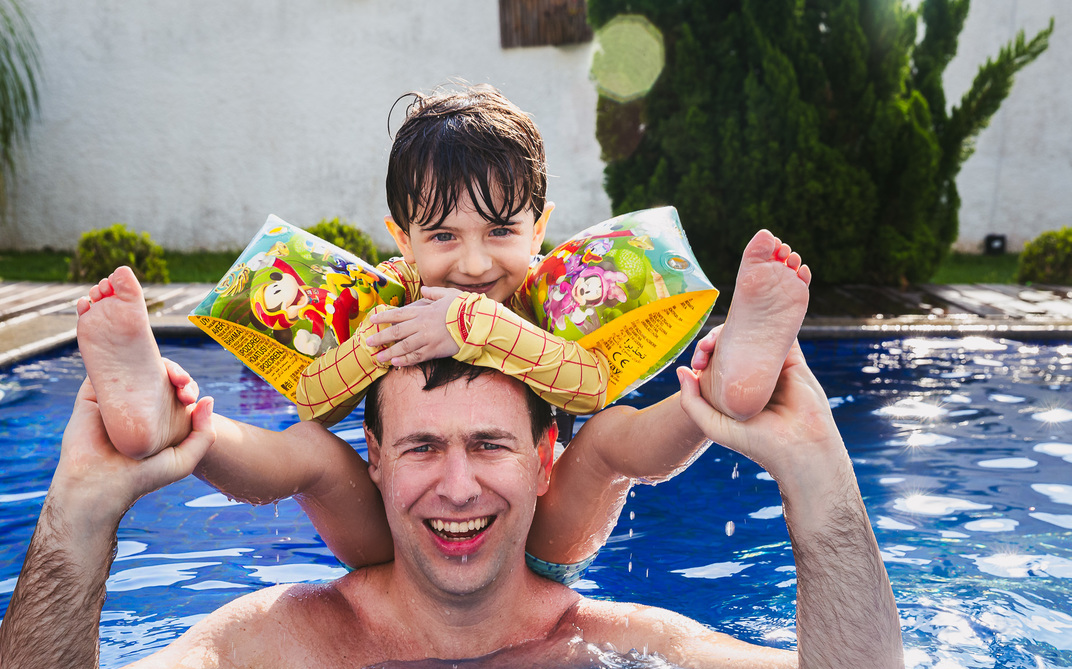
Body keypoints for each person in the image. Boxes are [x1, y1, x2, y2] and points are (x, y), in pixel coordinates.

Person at [0, 348, 907, 669]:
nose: (456, 487)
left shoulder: (619, 640)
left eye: (489, 445)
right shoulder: (273, 639)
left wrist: (822, 480)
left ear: (547, 462)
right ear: (373, 464)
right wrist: (77, 517)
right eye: (422, 447)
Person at [75, 84, 811, 579]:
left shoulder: (540, 299)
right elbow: (315, 403)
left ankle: (722, 389)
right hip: (392, 540)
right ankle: (172, 425)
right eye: (442, 235)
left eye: (500, 230)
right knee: (310, 457)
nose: (473, 262)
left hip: (539, 536)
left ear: (541, 229)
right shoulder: (389, 302)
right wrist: (371, 347)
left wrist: (479, 327)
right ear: (401, 239)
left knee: (611, 438)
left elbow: (589, 386)